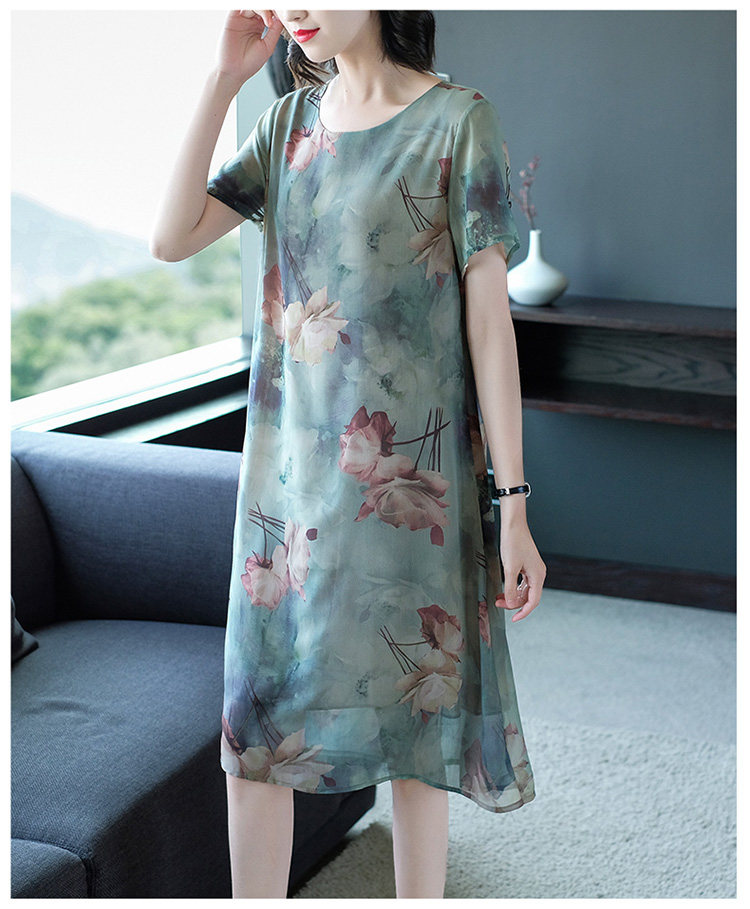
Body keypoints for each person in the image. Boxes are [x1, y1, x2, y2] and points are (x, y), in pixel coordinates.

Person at [150, 8, 547, 899]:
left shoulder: (458, 122)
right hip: (286, 500)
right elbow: (170, 237)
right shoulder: (286, 125)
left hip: (409, 493)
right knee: (257, 732)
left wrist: (514, 503)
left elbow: (491, 328)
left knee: (416, 727)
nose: (294, 8)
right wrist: (221, 81)